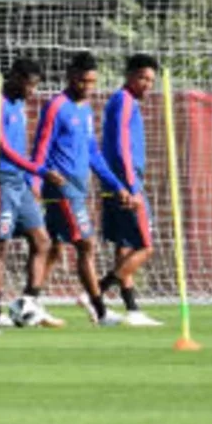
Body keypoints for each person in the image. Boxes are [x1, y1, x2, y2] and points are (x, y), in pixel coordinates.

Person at [29, 52, 130, 325]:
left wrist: (116, 185)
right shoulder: (56, 106)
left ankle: (29, 302)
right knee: (86, 244)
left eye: (92, 82)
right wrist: (35, 181)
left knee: (54, 248)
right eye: (83, 81)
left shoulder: (85, 108)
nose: (88, 87)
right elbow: (41, 146)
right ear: (70, 76)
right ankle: (100, 311)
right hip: (62, 188)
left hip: (78, 188)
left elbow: (93, 152)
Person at [0, 57, 62, 328]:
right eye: (29, 85)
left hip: (19, 182)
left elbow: (20, 147)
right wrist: (38, 170)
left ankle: (29, 303)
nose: (32, 91)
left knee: (42, 241)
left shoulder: (19, 105)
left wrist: (30, 180)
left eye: (35, 86)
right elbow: (3, 148)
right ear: (15, 78)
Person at [100, 53, 162, 327]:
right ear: (129, 76)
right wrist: (131, 185)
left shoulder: (122, 100)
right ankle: (95, 293)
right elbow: (121, 146)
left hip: (117, 182)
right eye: (142, 78)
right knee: (145, 247)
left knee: (125, 246)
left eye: (151, 80)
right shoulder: (124, 100)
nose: (147, 84)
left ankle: (132, 309)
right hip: (127, 183)